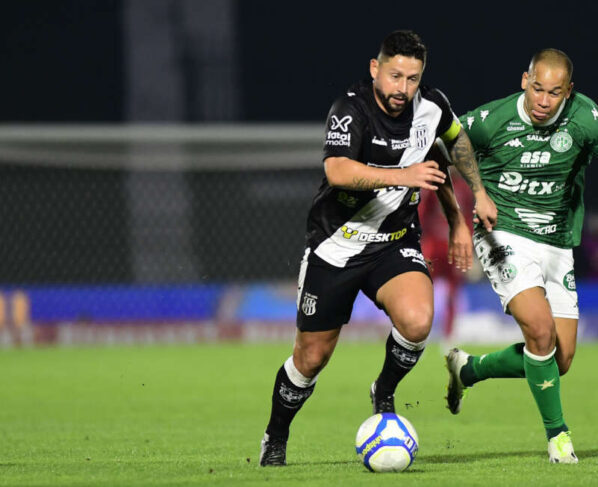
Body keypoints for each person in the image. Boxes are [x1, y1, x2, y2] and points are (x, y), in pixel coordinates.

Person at [259, 29, 497, 467]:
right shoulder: (350, 109)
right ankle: (275, 436)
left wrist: (464, 212)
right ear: (375, 69)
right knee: (311, 358)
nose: (402, 89)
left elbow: (452, 145)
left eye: (412, 79)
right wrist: (402, 177)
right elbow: (338, 171)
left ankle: (383, 389)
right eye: (394, 76)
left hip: (393, 245)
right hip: (336, 248)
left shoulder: (431, 107)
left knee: (418, 320)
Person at [445, 48, 598, 464]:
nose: (543, 101)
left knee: (559, 358)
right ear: (524, 80)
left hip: (557, 243)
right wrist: (474, 197)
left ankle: (468, 370)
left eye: (554, 92)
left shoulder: (585, 119)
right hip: (504, 234)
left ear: (569, 91)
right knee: (540, 330)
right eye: (536, 89)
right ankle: (559, 437)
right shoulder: (494, 120)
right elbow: (450, 141)